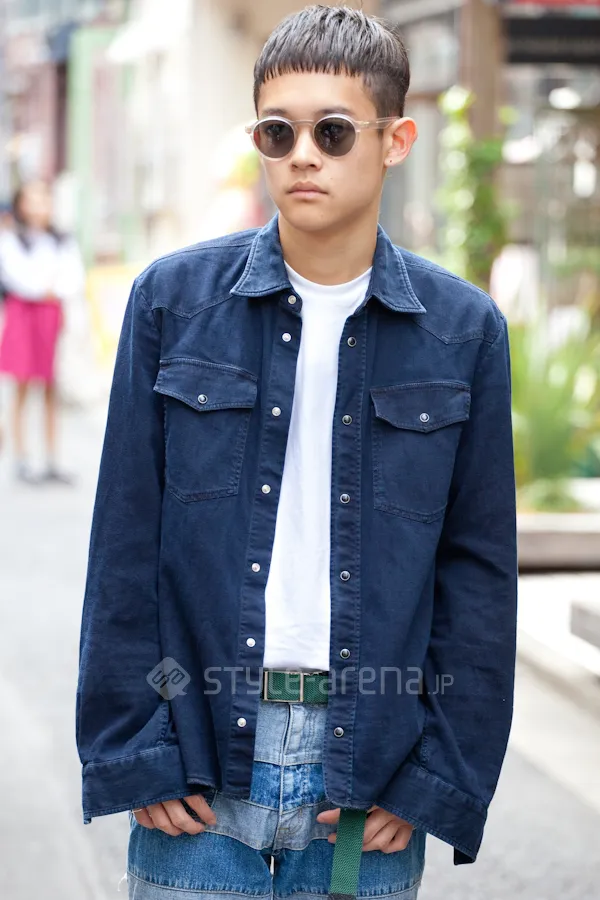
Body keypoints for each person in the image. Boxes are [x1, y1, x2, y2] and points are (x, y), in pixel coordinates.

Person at [75, 6, 518, 900]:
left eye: (333, 131)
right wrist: (136, 748)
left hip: (366, 775)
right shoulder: (171, 304)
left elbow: (477, 575)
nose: (302, 155)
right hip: (199, 761)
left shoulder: (463, 331)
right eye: (277, 132)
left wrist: (435, 772)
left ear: (395, 141)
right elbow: (125, 542)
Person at [0, 180, 84, 484]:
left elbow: (73, 277)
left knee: (51, 387)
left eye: (43, 199)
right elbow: (17, 277)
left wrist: (53, 288)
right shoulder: (12, 239)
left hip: (51, 317)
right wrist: (45, 287)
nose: (38, 206)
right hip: (23, 316)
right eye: (32, 200)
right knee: (22, 385)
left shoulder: (62, 240)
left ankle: (52, 457)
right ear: (21, 204)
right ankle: (21, 457)